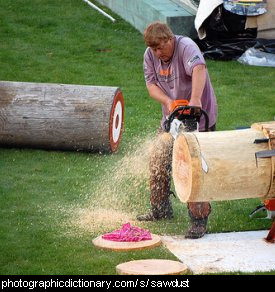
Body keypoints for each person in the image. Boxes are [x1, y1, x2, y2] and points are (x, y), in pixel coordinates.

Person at [137, 21, 218, 239]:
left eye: (161, 47)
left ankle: (199, 220)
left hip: (198, 119)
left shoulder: (186, 47)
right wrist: (168, 101)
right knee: (157, 157)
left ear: (170, 40)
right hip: (172, 119)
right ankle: (160, 209)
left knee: (194, 167)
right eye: (154, 49)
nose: (157, 52)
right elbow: (151, 85)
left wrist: (195, 100)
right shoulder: (149, 55)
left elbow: (199, 69)